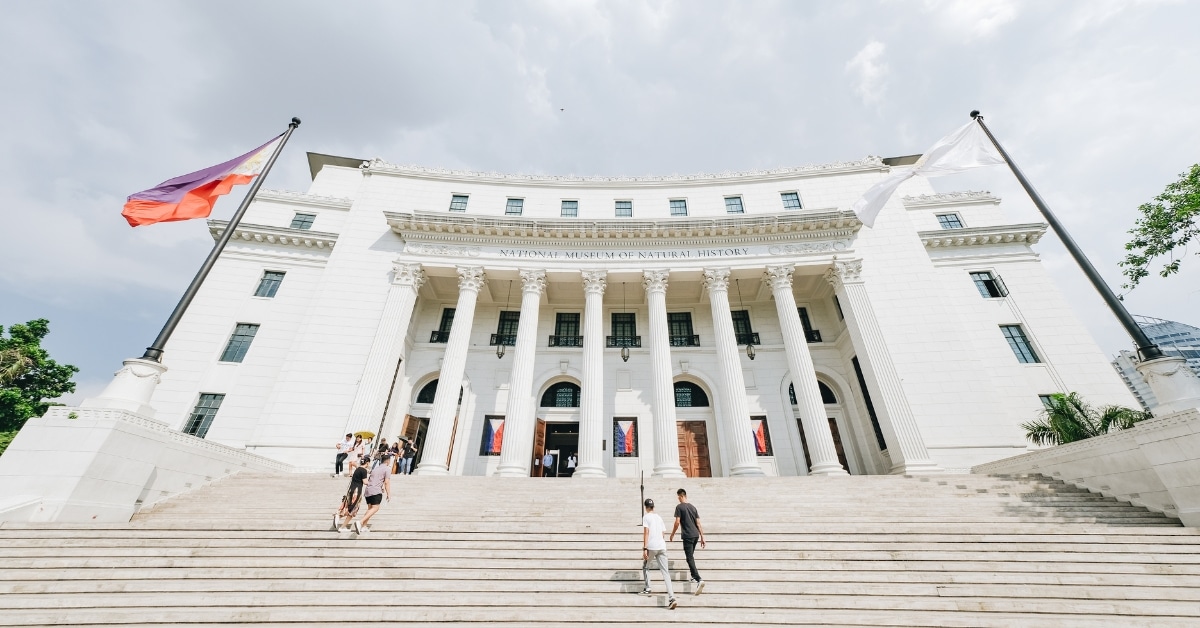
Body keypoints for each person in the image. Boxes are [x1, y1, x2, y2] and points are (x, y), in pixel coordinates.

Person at [640, 498, 677, 610]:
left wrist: (645, 548)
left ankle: (648, 588)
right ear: (653, 507)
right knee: (666, 573)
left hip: (651, 546)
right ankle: (672, 597)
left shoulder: (646, 517)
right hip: (662, 546)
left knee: (645, 566)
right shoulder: (659, 517)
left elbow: (646, 532)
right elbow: (663, 533)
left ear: (646, 507)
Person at [669, 488, 706, 594]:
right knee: (690, 557)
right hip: (695, 535)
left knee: (689, 558)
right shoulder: (693, 507)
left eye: (678, 497)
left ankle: (699, 579)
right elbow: (698, 523)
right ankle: (693, 577)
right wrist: (702, 537)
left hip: (688, 536)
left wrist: (672, 534)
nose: (678, 499)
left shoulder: (679, 507)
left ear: (680, 496)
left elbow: (677, 522)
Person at [356, 451, 392, 534]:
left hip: (368, 491)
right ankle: (360, 522)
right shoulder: (387, 469)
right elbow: (387, 482)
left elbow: (373, 480)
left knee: (370, 509)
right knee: (376, 508)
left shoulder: (375, 469)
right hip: (376, 491)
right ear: (387, 461)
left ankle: (364, 526)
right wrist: (388, 494)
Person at [335, 455, 369, 532]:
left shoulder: (357, 469)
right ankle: (342, 526)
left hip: (351, 490)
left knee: (348, 507)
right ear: (367, 463)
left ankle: (339, 517)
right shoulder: (364, 470)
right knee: (353, 510)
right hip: (356, 492)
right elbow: (365, 482)